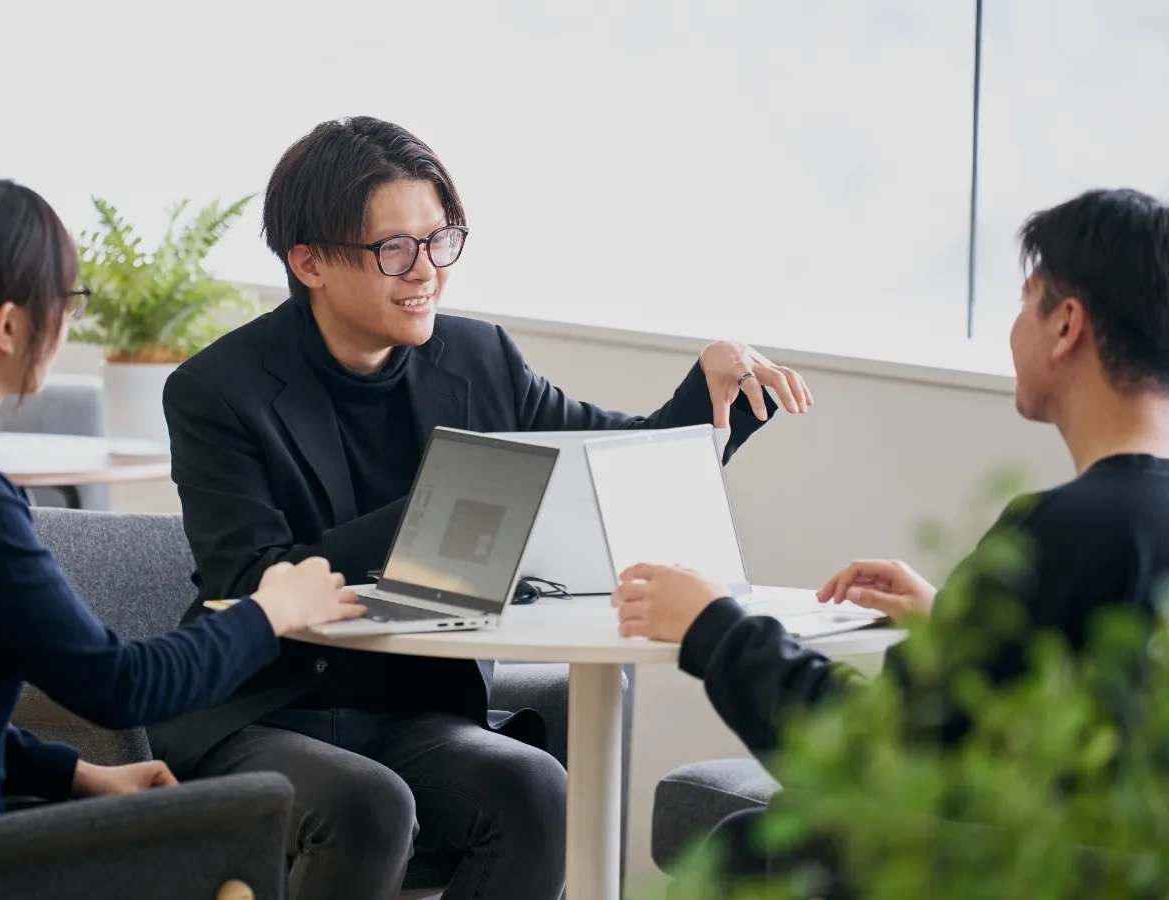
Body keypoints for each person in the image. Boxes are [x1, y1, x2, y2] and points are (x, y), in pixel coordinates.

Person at [155, 115, 813, 900]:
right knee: (368, 806)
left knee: (535, 789)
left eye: (441, 240)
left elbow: (610, 460)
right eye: (394, 249)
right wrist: (440, 512)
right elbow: (247, 577)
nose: (426, 271)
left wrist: (711, 395)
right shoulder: (217, 391)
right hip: (265, 708)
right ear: (310, 261)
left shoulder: (480, 359)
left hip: (414, 711)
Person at [611, 188, 1169, 881]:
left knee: (748, 844)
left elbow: (868, 751)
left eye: (1027, 301)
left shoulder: (1062, 533)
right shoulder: (1127, 528)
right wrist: (963, 626)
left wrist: (713, 626)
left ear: (1066, 325)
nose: (1014, 328)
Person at [0, 169, 366, 824]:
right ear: (8, 327)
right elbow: (122, 685)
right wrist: (271, 611)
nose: (68, 320)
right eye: (66, 299)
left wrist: (74, 773)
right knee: (239, 823)